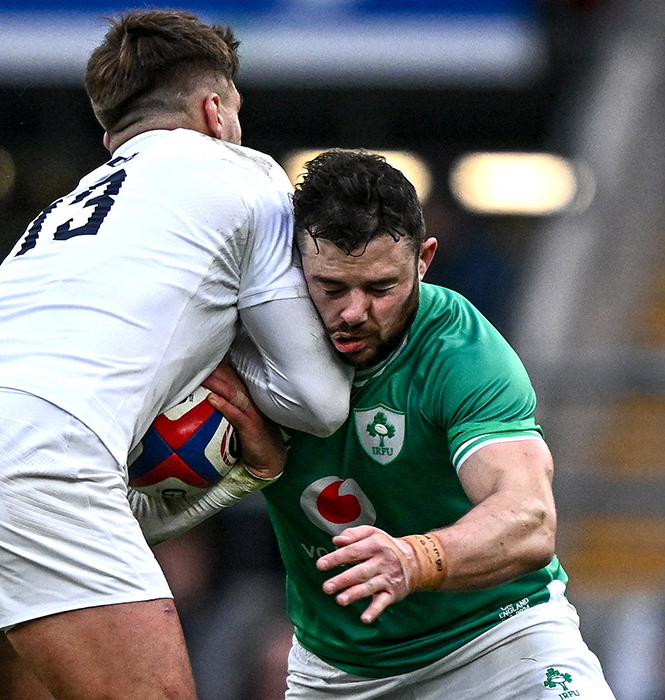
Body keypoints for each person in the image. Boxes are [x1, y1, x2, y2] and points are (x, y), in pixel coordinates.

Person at [0, 9, 351, 700]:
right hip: (32, 452)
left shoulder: (63, 212)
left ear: (113, 137)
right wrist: (246, 435)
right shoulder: (244, 173)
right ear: (216, 111)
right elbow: (319, 400)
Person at [233, 150, 617, 699]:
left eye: (381, 288)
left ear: (424, 259)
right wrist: (246, 473)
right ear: (295, 266)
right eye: (332, 287)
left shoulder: (460, 351)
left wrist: (416, 558)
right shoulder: (248, 346)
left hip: (499, 641)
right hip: (341, 675)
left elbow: (530, 519)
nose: (353, 312)